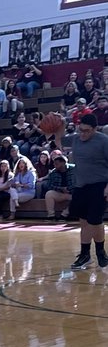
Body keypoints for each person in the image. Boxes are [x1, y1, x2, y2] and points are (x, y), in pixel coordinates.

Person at [68, 112, 108, 269]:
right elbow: (59, 141)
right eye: (80, 130)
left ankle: (100, 253)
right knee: (84, 222)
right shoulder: (76, 139)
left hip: (99, 185)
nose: (82, 133)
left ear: (95, 129)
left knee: (95, 221)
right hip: (80, 185)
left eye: (86, 131)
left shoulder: (104, 141)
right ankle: (86, 255)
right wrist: (56, 130)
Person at [43, 156, 74, 220]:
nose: (55, 165)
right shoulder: (53, 172)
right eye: (54, 164)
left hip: (73, 193)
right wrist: (61, 188)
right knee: (49, 194)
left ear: (63, 163)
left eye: (56, 164)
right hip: (60, 193)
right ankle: (51, 215)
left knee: (80, 195)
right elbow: (49, 185)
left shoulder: (74, 169)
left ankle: (64, 215)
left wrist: (70, 189)